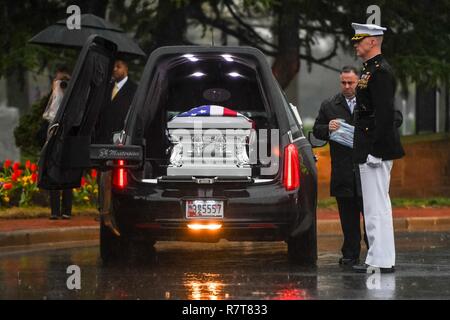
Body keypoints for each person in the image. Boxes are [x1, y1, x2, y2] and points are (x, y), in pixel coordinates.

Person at [350, 23, 405, 273]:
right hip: (369, 144)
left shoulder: (380, 71)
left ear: (372, 41)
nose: (355, 44)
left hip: (375, 147)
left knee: (376, 207)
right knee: (376, 206)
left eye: (359, 40)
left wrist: (375, 150)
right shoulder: (370, 69)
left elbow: (384, 115)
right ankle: (380, 258)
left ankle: (380, 260)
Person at [313, 66, 368, 266]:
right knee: (348, 218)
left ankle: (375, 253)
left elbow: (392, 119)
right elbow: (317, 130)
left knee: (370, 216)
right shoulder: (330, 105)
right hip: (343, 170)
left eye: (350, 82)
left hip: (366, 169)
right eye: (343, 82)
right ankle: (350, 254)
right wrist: (327, 127)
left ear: (358, 82)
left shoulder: (368, 101)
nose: (346, 86)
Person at [43, 66, 74, 220]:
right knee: (53, 172)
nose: (63, 84)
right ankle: (55, 211)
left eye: (66, 80)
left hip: (68, 138)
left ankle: (67, 210)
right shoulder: (53, 95)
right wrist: (55, 91)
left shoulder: (74, 97)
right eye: (60, 80)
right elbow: (48, 115)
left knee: (67, 173)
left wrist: (69, 87)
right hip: (53, 137)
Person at [94, 58, 137, 144]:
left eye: (118, 66)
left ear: (126, 68)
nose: (114, 69)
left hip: (120, 139)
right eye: (113, 66)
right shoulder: (106, 87)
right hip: (101, 138)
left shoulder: (134, 90)